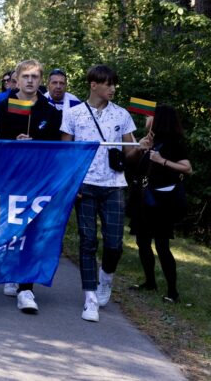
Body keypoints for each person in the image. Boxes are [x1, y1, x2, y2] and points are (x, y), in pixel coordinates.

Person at [61, 64, 140, 323]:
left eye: (114, 84)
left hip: (114, 184)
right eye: (108, 84)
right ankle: (90, 297)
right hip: (85, 185)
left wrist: (142, 146)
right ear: (94, 84)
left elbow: (130, 152)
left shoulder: (122, 115)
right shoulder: (73, 114)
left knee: (115, 243)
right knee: (87, 241)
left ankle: (106, 276)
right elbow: (66, 153)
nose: (113, 88)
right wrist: (72, 186)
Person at [0, 59, 62, 314]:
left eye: (35, 76)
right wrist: (14, 141)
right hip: (8, 178)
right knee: (7, 228)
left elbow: (57, 148)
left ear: (40, 79)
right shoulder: (2, 106)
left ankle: (26, 289)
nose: (30, 81)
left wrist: (36, 143)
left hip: (37, 179)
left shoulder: (50, 111)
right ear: (17, 79)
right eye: (26, 76)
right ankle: (6, 272)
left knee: (32, 230)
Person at [129, 105, 192, 304]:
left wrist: (162, 160)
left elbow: (187, 168)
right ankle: (150, 282)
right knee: (142, 241)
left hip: (162, 202)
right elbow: (137, 167)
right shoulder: (152, 141)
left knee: (162, 246)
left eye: (151, 116)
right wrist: (143, 150)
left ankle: (173, 292)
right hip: (144, 199)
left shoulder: (173, 143)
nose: (147, 118)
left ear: (160, 119)